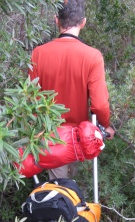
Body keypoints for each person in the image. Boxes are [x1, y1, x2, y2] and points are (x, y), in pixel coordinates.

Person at [28, 0, 115, 179]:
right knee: (74, 193)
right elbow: (99, 104)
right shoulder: (92, 56)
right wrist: (106, 126)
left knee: (61, 193)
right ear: (83, 22)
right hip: (80, 137)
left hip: (51, 137)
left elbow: (30, 99)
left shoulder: (38, 53)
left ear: (56, 20)